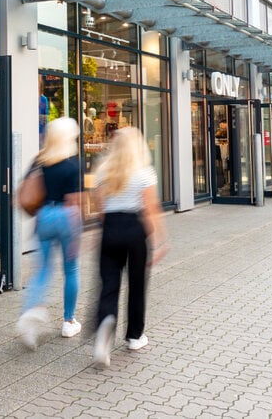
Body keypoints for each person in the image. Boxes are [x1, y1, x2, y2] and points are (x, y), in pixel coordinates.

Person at [91, 127, 169, 366]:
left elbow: (100, 207)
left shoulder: (103, 171)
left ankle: (105, 328)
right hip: (135, 229)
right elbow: (151, 208)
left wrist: (110, 227)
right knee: (137, 285)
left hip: (110, 228)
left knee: (109, 284)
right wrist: (159, 240)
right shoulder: (145, 173)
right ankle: (135, 336)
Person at [16, 116, 84, 348]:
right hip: (66, 216)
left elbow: (26, 188)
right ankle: (68, 321)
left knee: (43, 270)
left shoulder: (39, 161)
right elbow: (75, 201)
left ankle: (30, 312)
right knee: (71, 269)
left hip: (44, 216)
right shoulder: (73, 164)